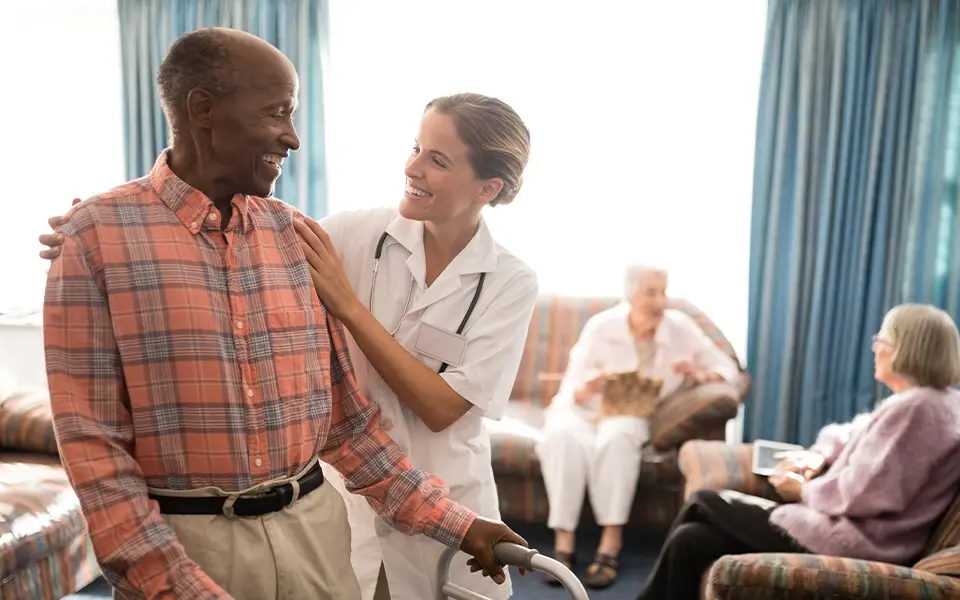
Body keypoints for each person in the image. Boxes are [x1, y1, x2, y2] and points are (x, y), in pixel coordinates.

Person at [40, 27, 525, 600]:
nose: (294, 138)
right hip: (194, 543)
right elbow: (95, 452)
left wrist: (459, 523)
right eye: (277, 113)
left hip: (318, 532)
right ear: (203, 110)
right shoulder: (97, 240)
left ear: (486, 188)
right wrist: (170, 585)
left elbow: (349, 425)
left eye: (437, 159)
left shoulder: (293, 236)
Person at [636, 302, 960, 600]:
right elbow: (848, 433)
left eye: (883, 340)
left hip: (859, 542)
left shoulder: (917, 410)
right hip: (853, 532)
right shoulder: (931, 402)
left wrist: (802, 491)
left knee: (704, 499)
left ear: (907, 349)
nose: (875, 348)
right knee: (689, 540)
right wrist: (818, 455)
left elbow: (867, 494)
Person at [534, 263, 740, 588]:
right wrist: (590, 385)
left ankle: (610, 543)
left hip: (629, 414)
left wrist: (696, 374)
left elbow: (728, 368)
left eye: (664, 291)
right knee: (562, 439)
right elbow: (573, 387)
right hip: (584, 411)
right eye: (651, 293)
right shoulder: (602, 327)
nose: (661, 301)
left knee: (619, 439)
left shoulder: (680, 328)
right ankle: (563, 545)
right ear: (630, 295)